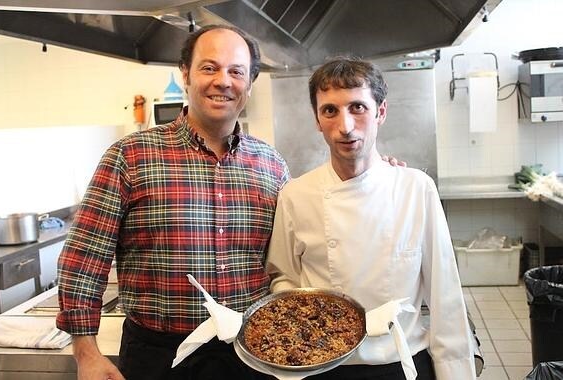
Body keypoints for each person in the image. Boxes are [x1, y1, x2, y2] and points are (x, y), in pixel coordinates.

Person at [56, 24, 289, 380]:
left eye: (236, 71)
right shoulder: (130, 156)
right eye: (209, 68)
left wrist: (376, 176)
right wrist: (85, 353)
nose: (223, 81)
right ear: (186, 74)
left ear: (250, 83)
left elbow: (297, 247)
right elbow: (84, 259)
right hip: (159, 357)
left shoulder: (272, 164)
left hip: (254, 351)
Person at [266, 57, 476, 380]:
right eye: (330, 111)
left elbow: (445, 297)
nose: (345, 126)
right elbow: (284, 280)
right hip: (323, 368)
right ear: (317, 120)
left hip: (402, 364)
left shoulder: (416, 189)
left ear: (381, 112)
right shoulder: (295, 195)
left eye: (358, 108)